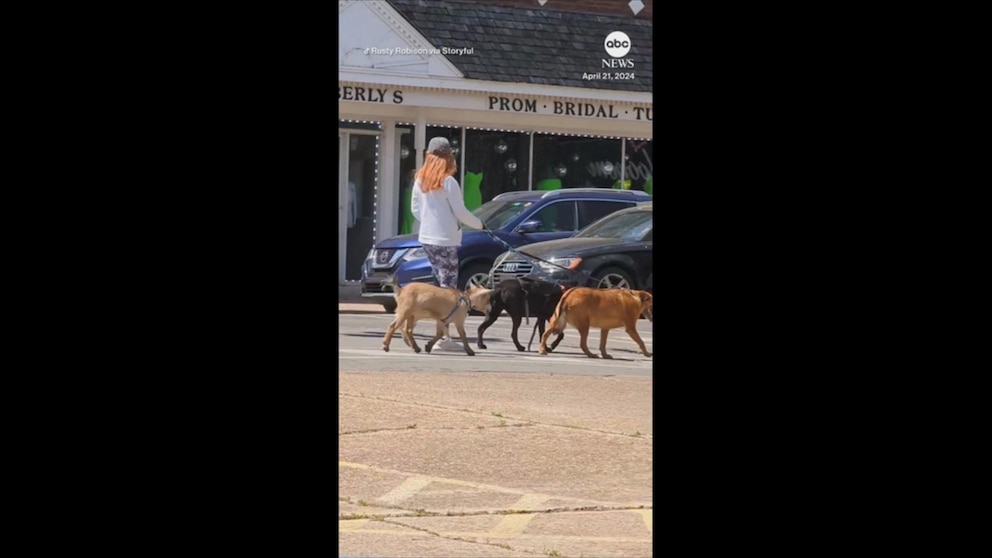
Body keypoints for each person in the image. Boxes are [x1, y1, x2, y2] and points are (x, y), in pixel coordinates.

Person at [411, 136, 484, 290]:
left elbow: (415, 209)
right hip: (445, 239)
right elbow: (460, 212)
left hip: (426, 238)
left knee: (438, 280)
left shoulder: (419, 181)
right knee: (449, 286)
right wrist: (480, 225)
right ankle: (447, 313)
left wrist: (427, 220)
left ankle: (438, 312)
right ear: (448, 157)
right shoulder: (449, 182)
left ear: (428, 156)